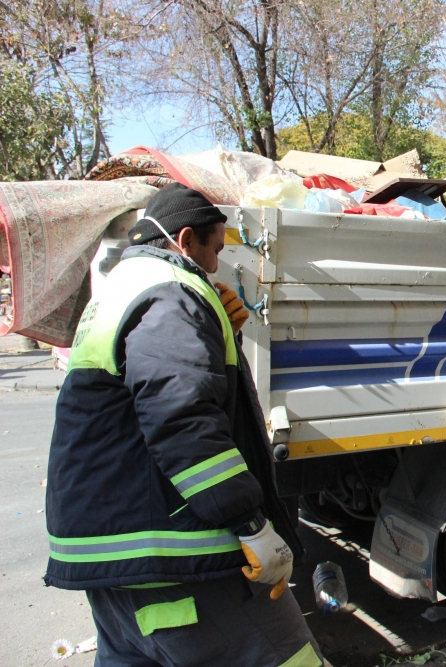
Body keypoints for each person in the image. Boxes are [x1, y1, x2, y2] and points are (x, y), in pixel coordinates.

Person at [45, 183, 324, 666]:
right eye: (214, 250)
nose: (216, 265)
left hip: (112, 560)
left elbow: (134, 404)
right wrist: (252, 525)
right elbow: (180, 416)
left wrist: (219, 334)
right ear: (185, 239)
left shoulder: (115, 291)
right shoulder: (172, 293)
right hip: (176, 560)